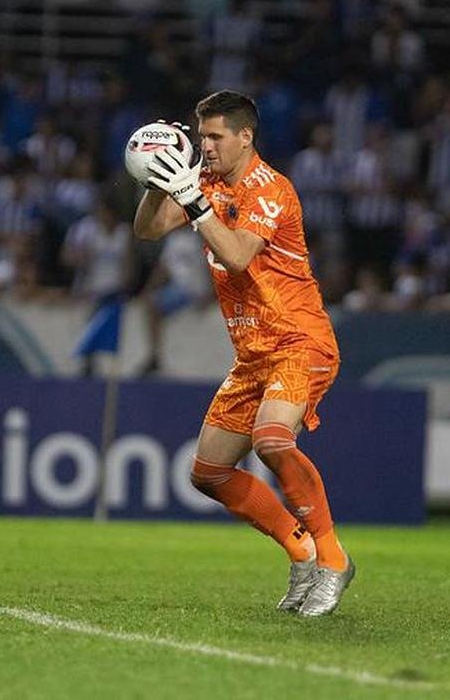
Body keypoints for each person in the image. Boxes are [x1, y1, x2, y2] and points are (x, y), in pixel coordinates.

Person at [132, 90, 352, 617]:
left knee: (272, 439)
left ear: (245, 137)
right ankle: (301, 551)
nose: (205, 146)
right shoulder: (204, 182)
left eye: (215, 137)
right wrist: (157, 180)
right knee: (209, 472)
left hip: (299, 340)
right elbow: (148, 229)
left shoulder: (271, 189)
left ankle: (334, 560)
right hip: (253, 356)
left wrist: (193, 199)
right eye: (200, 137)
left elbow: (235, 256)